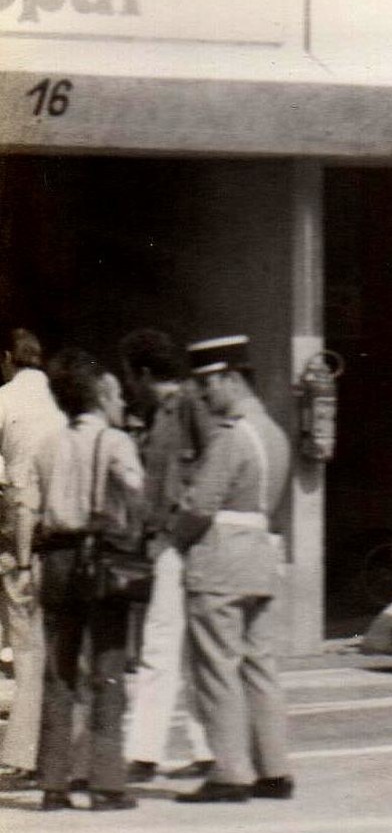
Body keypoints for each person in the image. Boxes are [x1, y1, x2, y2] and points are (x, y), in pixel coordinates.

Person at [173, 336, 295, 803]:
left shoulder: (229, 436)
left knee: (216, 666)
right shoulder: (274, 434)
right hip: (260, 557)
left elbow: (201, 504)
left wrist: (177, 538)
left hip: (220, 558)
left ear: (231, 378)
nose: (204, 394)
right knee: (259, 664)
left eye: (208, 383)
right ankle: (274, 767)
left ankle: (230, 771)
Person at [25, 351, 145, 811]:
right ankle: (106, 780)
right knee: (108, 666)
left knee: (60, 667)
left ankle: (54, 781)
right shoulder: (115, 442)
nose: (121, 400)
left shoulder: (46, 446)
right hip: (99, 558)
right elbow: (136, 491)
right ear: (100, 395)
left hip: (56, 559)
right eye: (116, 392)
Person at [117, 329, 216, 782]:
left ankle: (146, 753)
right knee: (182, 650)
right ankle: (203, 749)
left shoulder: (189, 406)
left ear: (142, 372)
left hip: (184, 543)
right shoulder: (160, 416)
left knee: (163, 647)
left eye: (131, 377)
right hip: (171, 543)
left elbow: (213, 469)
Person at [0, 328, 67, 791]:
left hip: (18, 540)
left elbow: (9, 486)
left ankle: (23, 756)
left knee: (25, 650)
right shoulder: (62, 406)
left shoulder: (3, 401)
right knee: (56, 652)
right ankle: (58, 754)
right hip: (63, 543)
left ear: (8, 359)